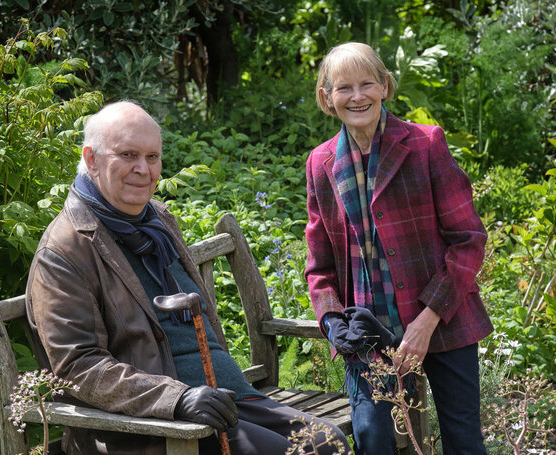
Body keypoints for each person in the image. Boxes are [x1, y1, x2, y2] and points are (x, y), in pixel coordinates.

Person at [26, 101, 349, 455]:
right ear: (91, 159)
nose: (143, 169)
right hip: (154, 423)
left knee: (327, 441)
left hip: (224, 397)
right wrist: (177, 398)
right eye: (128, 154)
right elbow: (79, 367)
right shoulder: (65, 251)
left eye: (152, 157)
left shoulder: (156, 219)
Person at [305, 42, 493, 454]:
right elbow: (319, 267)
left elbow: (469, 241)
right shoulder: (320, 164)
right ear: (327, 97)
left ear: (386, 87)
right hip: (367, 329)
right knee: (372, 436)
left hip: (443, 316)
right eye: (344, 88)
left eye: (367, 84)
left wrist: (427, 320)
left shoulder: (426, 145)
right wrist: (333, 321)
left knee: (463, 440)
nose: (357, 97)